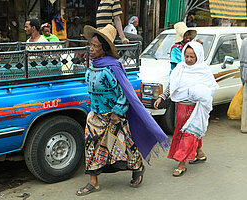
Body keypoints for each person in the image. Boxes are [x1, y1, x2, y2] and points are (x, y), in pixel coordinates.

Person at [76, 24, 169, 196]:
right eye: (91, 45)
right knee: (91, 146)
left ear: (104, 49)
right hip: (94, 116)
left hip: (113, 117)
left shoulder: (112, 68)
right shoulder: (92, 65)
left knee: (126, 146)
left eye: (95, 46)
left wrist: (117, 112)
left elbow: (123, 94)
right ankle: (93, 182)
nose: (91, 49)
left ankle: (138, 168)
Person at [154, 42, 219, 177]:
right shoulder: (179, 68)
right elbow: (172, 85)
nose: (189, 60)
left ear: (198, 57)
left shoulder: (203, 71)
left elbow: (210, 88)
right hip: (180, 107)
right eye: (187, 56)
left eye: (192, 57)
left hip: (195, 108)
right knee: (182, 132)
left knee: (188, 134)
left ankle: (181, 163)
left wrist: (199, 93)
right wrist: (161, 97)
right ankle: (199, 153)